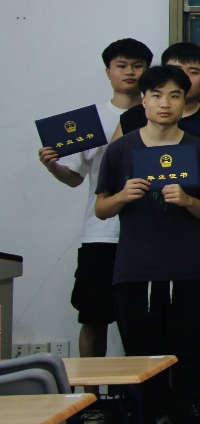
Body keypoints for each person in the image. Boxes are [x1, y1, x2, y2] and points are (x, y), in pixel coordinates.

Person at [95, 65, 200, 424]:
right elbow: (100, 208)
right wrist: (121, 196)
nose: (165, 103)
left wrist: (187, 201)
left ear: (185, 102)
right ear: (144, 100)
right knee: (139, 360)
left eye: (174, 95)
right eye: (157, 95)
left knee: (189, 356)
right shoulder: (121, 150)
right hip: (134, 270)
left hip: (188, 270)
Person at [37, 37, 150, 382]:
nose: (129, 72)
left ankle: (139, 397)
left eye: (137, 66)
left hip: (146, 234)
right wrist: (52, 166)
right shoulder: (91, 120)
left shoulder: (159, 113)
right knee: (93, 315)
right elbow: (74, 178)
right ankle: (89, 395)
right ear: (108, 71)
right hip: (101, 232)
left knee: (141, 321)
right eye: (121, 66)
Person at [115, 43, 200, 144]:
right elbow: (115, 153)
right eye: (176, 70)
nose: (185, 77)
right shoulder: (131, 117)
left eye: (193, 72)